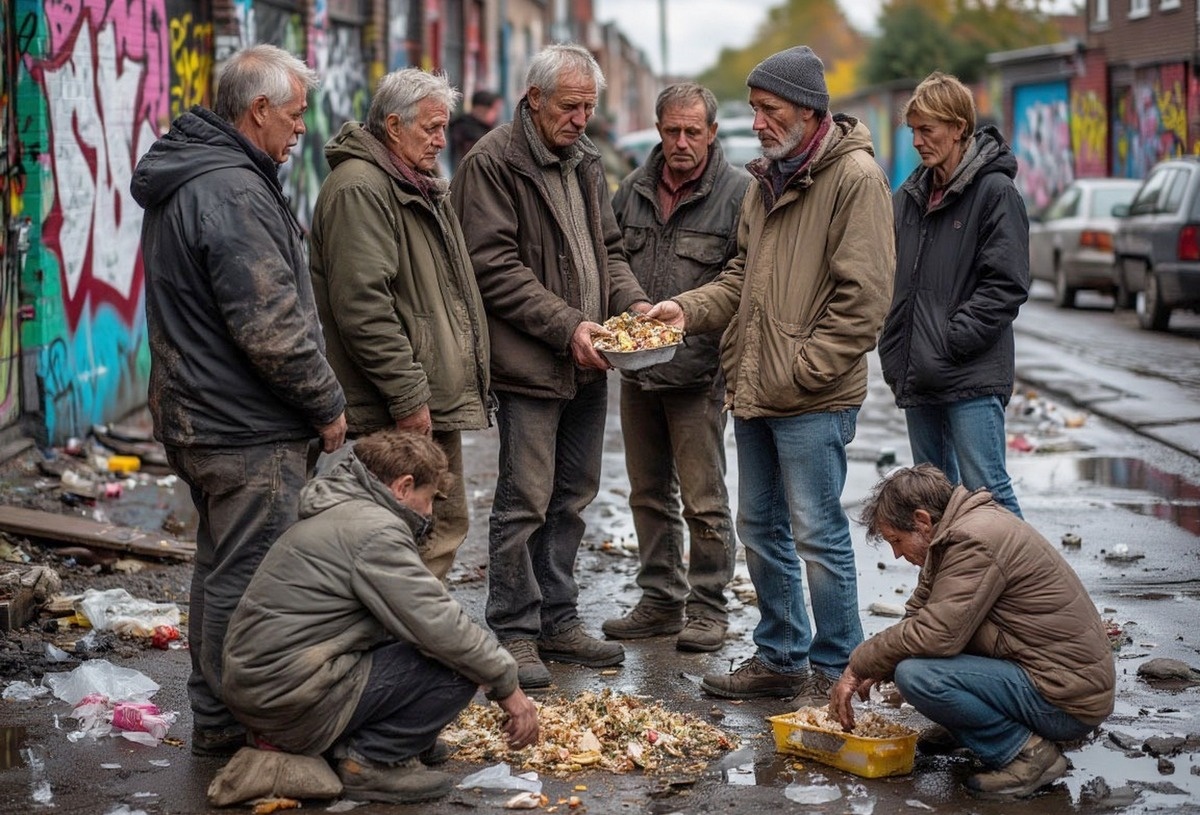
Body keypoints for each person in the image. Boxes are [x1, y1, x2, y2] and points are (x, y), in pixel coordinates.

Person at [646, 45, 894, 703]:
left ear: (809, 112)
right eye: (754, 109)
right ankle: (781, 655)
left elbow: (863, 299)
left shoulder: (855, 180)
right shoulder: (767, 181)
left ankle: (841, 668)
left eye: (767, 109)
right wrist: (684, 309)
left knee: (817, 534)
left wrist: (805, 368)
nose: (754, 121)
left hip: (811, 395)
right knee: (761, 528)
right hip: (756, 390)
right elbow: (740, 276)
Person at [130, 44, 348, 757]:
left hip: (206, 416)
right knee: (249, 578)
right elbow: (273, 328)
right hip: (244, 427)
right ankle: (233, 722)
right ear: (257, 111)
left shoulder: (203, 175)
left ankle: (219, 713)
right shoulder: (230, 190)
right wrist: (326, 404)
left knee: (223, 566)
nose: (299, 131)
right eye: (292, 116)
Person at [450, 43, 651, 691]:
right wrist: (568, 327)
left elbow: (609, 250)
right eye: (570, 106)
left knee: (573, 497)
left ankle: (559, 618)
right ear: (533, 99)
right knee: (525, 499)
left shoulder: (586, 161)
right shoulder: (493, 163)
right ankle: (514, 627)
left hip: (589, 359)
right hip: (532, 362)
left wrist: (634, 305)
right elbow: (492, 266)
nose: (581, 119)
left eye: (590, 107)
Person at [221, 430, 539, 804]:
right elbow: (440, 625)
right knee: (458, 665)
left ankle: (383, 737)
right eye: (429, 498)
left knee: (416, 639)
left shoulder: (341, 509)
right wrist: (509, 689)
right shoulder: (374, 531)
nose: (430, 513)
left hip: (263, 690)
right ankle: (372, 762)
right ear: (403, 486)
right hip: (288, 700)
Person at [831, 464, 1114, 798]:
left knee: (918, 676)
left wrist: (860, 663)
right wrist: (880, 663)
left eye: (897, 540)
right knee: (911, 659)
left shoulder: (973, 539)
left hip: (1066, 698)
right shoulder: (954, 531)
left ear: (922, 521)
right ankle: (974, 726)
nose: (896, 553)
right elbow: (919, 614)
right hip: (1058, 680)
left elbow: (937, 634)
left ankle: (1028, 755)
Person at [309, 67, 490, 581]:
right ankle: (398, 655)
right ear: (393, 125)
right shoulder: (361, 189)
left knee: (436, 527)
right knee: (405, 536)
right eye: (431, 128)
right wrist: (409, 398)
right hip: (398, 405)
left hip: (424, 398)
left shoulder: (412, 181)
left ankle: (414, 651)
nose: (441, 139)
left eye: (443, 127)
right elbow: (364, 307)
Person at [602, 83, 749, 653]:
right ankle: (660, 600)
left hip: (698, 373)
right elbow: (611, 256)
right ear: (658, 129)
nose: (681, 142)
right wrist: (631, 312)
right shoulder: (633, 191)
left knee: (704, 499)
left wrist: (684, 319)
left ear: (712, 133)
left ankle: (709, 608)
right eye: (671, 131)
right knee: (646, 493)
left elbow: (741, 278)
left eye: (693, 131)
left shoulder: (738, 194)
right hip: (638, 370)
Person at [878, 71, 1029, 518]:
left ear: (959, 126)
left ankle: (1025, 588)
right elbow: (889, 276)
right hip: (919, 372)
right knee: (931, 506)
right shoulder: (908, 197)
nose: (918, 141)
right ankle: (951, 590)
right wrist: (897, 343)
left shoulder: (995, 192)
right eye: (913, 131)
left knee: (987, 494)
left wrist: (951, 340)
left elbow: (1007, 284)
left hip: (970, 373)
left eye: (928, 130)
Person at [448, 89, 502, 172]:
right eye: (495, 110)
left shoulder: (483, 130)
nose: (497, 114)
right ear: (480, 109)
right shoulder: (466, 131)